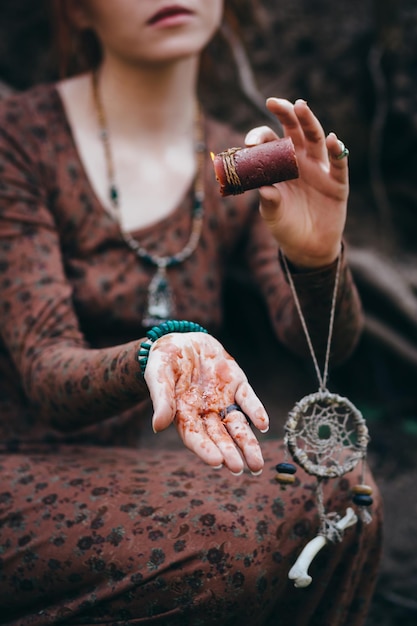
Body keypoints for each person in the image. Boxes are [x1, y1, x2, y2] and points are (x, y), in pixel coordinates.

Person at [0, 1, 382, 624]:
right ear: (78, 11)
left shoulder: (240, 162)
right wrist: (160, 349)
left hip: (162, 464)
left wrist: (315, 258)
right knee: (223, 546)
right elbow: (47, 374)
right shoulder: (17, 136)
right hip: (28, 454)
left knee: (347, 491)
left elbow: (315, 340)